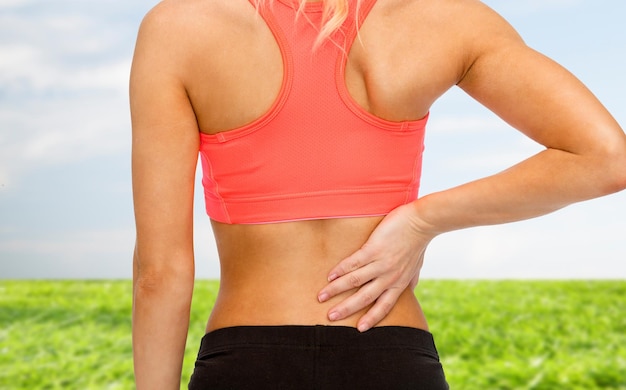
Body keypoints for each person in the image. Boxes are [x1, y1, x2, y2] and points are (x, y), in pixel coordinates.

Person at [129, 0, 626, 388]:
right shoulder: (443, 20)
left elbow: (161, 271)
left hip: (247, 362)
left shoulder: (180, 27)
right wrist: (422, 220)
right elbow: (606, 157)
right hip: (391, 357)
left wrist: (421, 221)